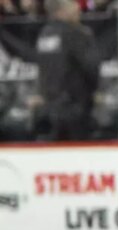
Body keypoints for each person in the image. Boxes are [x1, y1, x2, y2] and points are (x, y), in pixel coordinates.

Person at [33, 0, 98, 142]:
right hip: (75, 105)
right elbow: (91, 67)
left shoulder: (44, 34)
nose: (78, 11)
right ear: (61, 11)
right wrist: (94, 92)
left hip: (49, 105)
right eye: (73, 8)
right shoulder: (76, 34)